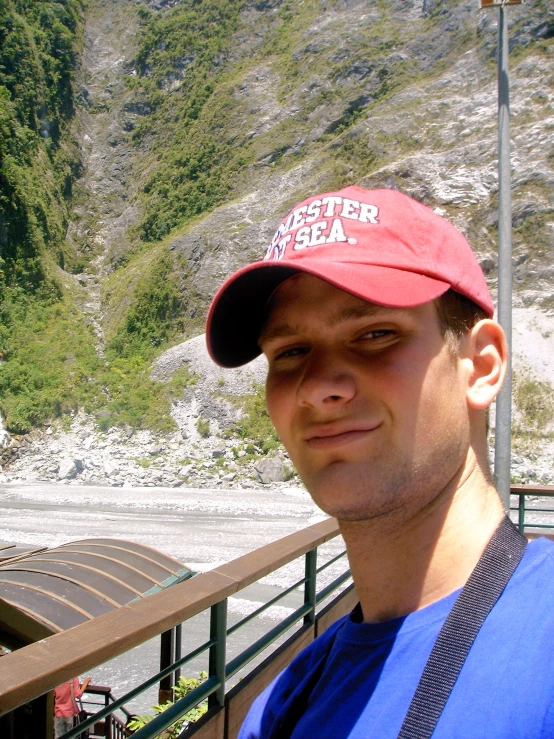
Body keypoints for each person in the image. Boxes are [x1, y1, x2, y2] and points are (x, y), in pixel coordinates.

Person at [206, 186, 554, 738]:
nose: (319, 386)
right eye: (290, 352)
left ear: (481, 366)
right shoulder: (281, 707)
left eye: (375, 334)